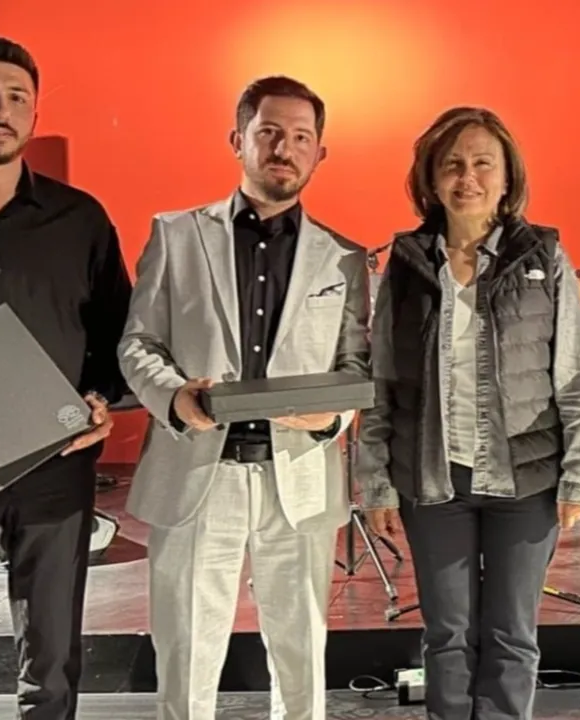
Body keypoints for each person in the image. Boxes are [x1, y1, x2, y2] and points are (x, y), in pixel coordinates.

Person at [118, 75, 369, 720]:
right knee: (186, 653)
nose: (285, 149)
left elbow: (356, 364)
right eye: (270, 133)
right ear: (238, 140)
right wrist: (174, 397)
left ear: (320, 153)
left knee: (301, 654)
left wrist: (334, 417)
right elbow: (138, 343)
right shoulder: (176, 235)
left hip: (299, 477)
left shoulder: (344, 258)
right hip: (199, 471)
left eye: (301, 137)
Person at [357, 105, 580, 720]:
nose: (468, 177)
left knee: (513, 635)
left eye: (483, 163)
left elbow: (572, 376)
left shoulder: (543, 255)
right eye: (453, 164)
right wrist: (375, 481)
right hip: (433, 482)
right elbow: (381, 382)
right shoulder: (405, 264)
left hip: (527, 482)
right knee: (447, 636)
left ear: (507, 175)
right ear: (431, 178)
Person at [0, 36, 130, 720]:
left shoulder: (80, 219)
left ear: (34, 113)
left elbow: (118, 335)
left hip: (56, 459)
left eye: (17, 97)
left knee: (53, 659)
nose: (1, 110)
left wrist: (101, 400)